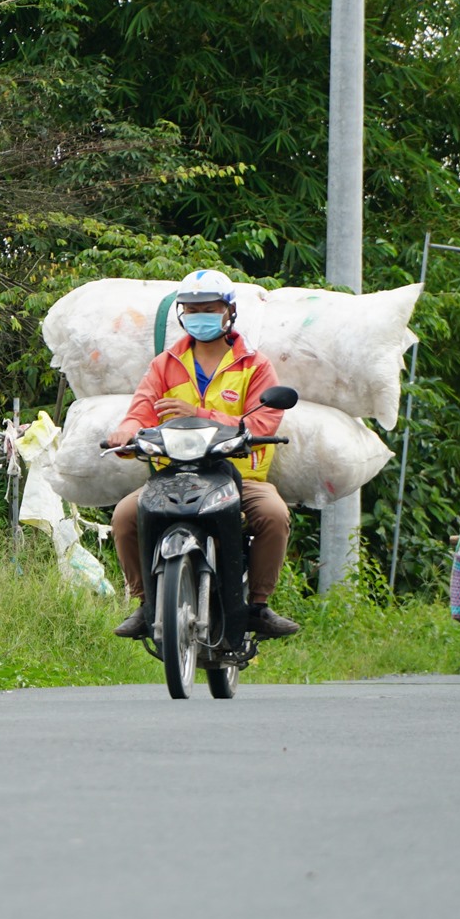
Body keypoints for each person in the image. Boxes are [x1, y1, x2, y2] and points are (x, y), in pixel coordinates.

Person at [104, 269, 299, 645]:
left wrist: (198, 416)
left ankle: (258, 605)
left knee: (274, 516)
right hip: (172, 475)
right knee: (125, 517)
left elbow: (263, 420)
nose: (198, 315)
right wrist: (125, 432)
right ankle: (145, 605)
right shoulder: (165, 364)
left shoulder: (255, 365)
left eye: (207, 308)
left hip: (238, 476)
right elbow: (141, 410)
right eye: (190, 309)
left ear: (228, 312)